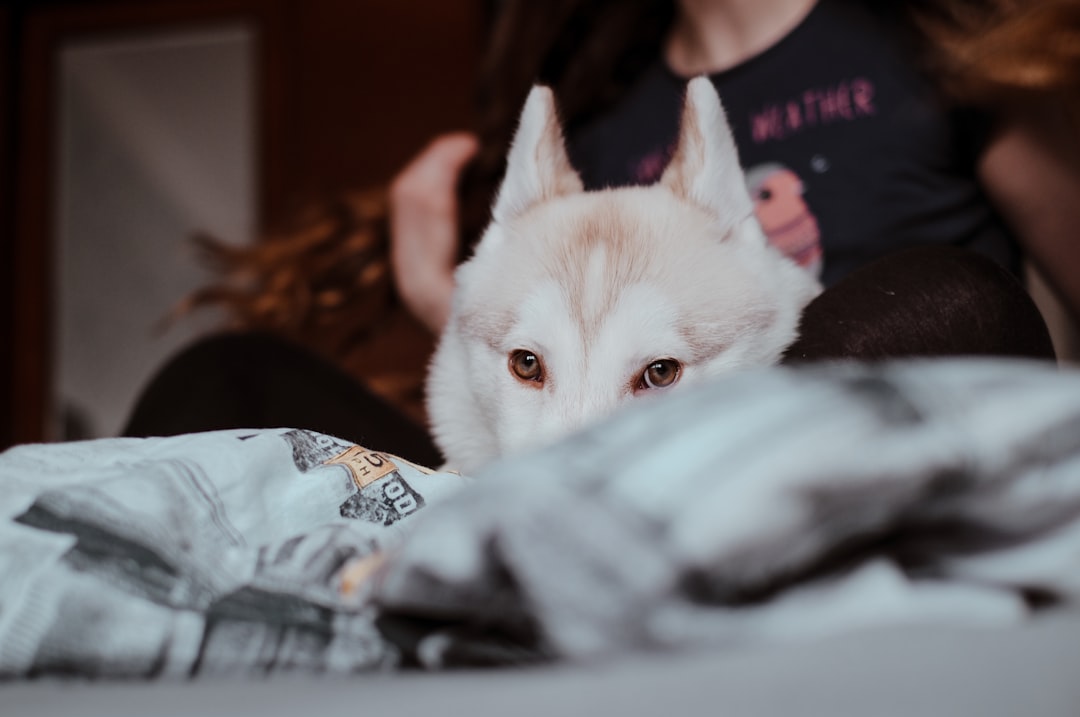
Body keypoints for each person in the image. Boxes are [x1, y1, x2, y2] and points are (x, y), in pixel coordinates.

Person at [124, 0, 1079, 462]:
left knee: (949, 302)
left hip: (831, 444)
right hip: (551, 462)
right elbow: (539, 343)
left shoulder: (956, 43)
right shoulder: (592, 101)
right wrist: (453, 308)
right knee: (223, 379)